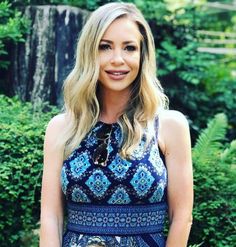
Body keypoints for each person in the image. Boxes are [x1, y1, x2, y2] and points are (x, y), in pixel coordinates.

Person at [40, 2, 193, 247]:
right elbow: (51, 217)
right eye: (105, 47)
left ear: (142, 55)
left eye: (129, 48)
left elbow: (182, 217)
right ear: (90, 52)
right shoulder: (62, 128)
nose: (117, 59)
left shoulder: (169, 126)